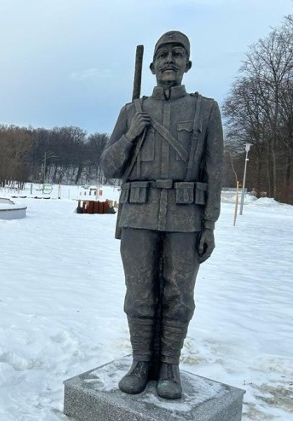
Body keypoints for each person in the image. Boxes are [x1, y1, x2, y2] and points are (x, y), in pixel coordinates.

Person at [100, 31, 223, 399]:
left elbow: (214, 170)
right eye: (163, 54)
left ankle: (169, 365)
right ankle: (140, 363)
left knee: (179, 294)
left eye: (178, 53)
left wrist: (210, 224)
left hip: (186, 216)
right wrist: (131, 135)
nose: (170, 59)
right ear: (152, 66)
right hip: (139, 213)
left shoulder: (206, 109)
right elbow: (108, 166)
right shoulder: (132, 111)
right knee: (139, 293)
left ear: (188, 64)